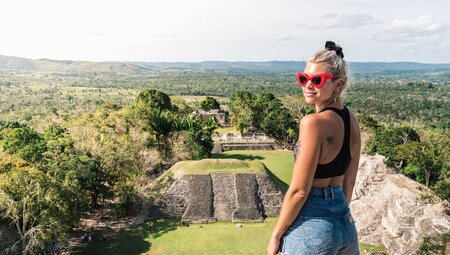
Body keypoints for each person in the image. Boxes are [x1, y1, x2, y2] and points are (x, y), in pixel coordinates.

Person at [267, 41, 361, 255]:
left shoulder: (312, 123)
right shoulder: (351, 120)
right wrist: (336, 216)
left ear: (338, 85)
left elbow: (299, 191)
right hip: (345, 223)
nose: (308, 85)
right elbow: (350, 180)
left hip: (312, 226)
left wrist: (276, 235)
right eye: (304, 78)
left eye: (317, 80)